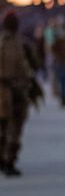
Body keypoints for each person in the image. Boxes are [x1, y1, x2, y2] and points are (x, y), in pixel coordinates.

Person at [0, 11, 42, 177]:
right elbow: (36, 64)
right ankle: (10, 160)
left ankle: (2, 157)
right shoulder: (23, 44)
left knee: (2, 126)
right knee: (15, 127)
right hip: (18, 90)